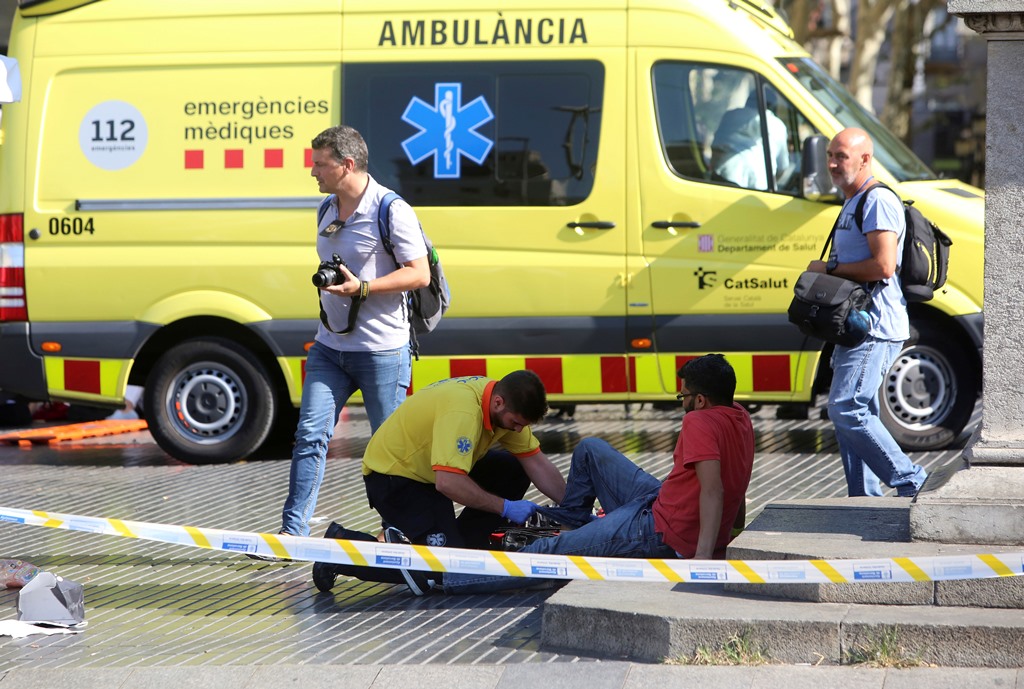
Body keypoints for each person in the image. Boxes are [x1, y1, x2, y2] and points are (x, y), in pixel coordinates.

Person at [442, 353, 755, 595]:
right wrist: (730, 535)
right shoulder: (739, 416)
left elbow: (714, 490)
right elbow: (737, 482)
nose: (681, 402)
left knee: (546, 553)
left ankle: (445, 577)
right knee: (590, 449)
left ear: (701, 400)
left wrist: (701, 560)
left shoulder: (698, 421)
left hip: (659, 529)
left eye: (683, 396)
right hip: (660, 501)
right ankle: (572, 522)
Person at [275, 125, 430, 541]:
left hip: (381, 350)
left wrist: (362, 287)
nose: (313, 173)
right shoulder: (326, 208)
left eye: (320, 164)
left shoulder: (391, 209)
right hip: (329, 347)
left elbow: (419, 274)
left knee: (388, 449)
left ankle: (395, 532)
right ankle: (292, 535)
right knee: (309, 435)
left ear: (346, 164)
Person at [311, 370, 567, 594]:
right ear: (499, 403)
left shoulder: (501, 404)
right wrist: (505, 507)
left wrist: (573, 509)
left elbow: (537, 464)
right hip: (394, 479)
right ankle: (341, 548)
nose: (518, 430)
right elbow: (449, 483)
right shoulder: (464, 410)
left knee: (514, 470)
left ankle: (463, 546)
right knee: (445, 570)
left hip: (428, 472)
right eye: (516, 423)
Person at [805, 127, 928, 498]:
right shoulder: (852, 201)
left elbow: (884, 265)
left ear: (864, 160)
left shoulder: (876, 201)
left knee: (847, 408)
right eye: (830, 155)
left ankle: (912, 480)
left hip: (873, 327)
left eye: (841, 156)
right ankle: (864, 500)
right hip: (854, 328)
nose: (831, 163)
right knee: (855, 417)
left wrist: (827, 270)